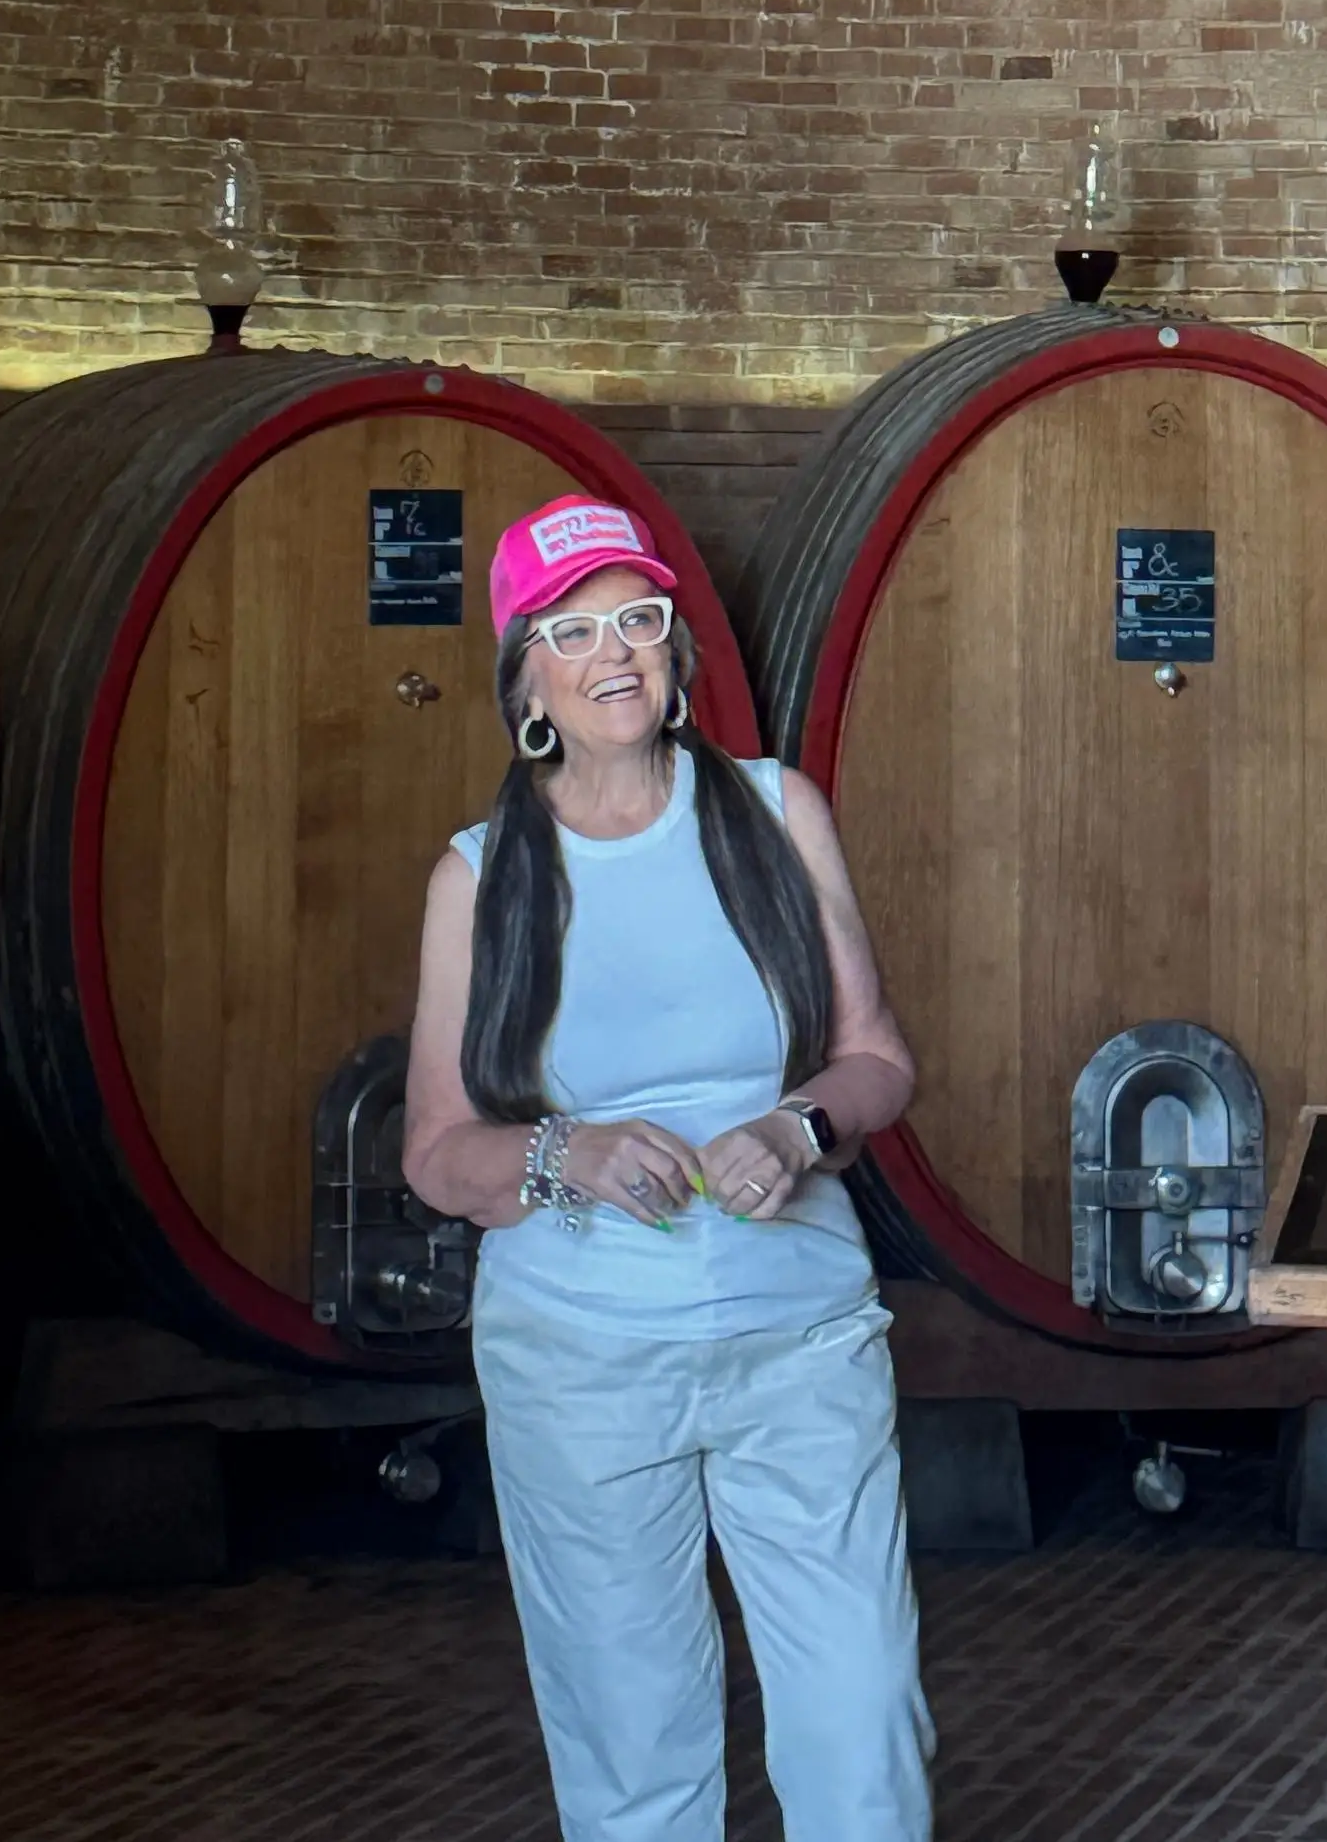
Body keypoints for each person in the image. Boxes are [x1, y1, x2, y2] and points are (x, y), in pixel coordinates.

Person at [404, 494, 934, 1842]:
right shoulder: (481, 877)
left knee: (861, 1722)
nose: (615, 655)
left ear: (675, 646)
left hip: (798, 1340)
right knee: (633, 1749)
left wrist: (796, 1129)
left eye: (636, 618)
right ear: (527, 677)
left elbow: (875, 1057)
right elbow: (435, 1156)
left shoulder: (771, 813)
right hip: (582, 1364)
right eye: (573, 633)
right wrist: (562, 1150)